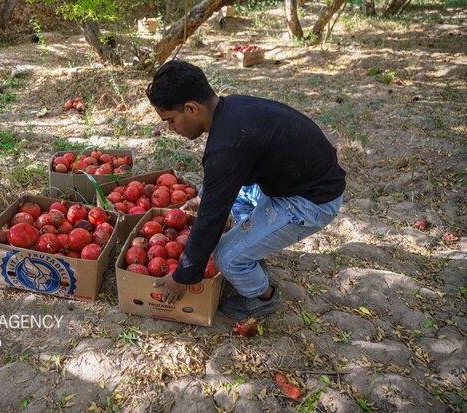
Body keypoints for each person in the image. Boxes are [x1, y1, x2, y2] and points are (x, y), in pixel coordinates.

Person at [147, 60, 346, 320]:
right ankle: (250, 250)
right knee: (228, 204)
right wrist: (205, 196)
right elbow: (232, 170)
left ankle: (263, 297)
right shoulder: (232, 108)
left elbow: (211, 219)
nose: (171, 129)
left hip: (311, 202)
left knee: (225, 258)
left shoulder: (227, 146)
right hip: (298, 182)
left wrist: (184, 275)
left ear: (191, 108)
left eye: (171, 121)